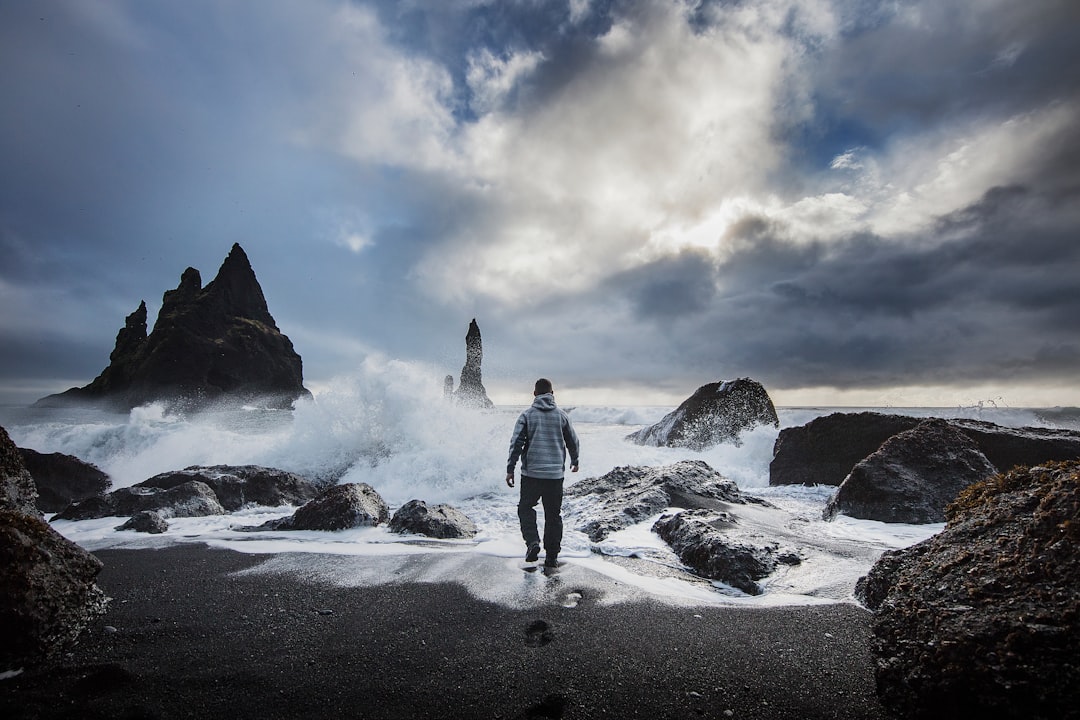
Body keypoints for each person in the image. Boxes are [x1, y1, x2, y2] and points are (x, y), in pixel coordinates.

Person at [506, 378, 580, 567]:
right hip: (555, 476)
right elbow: (573, 440)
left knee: (525, 508)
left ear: (534, 394)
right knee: (553, 515)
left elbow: (516, 443)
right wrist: (575, 460)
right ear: (552, 394)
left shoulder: (527, 415)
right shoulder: (561, 416)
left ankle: (532, 542)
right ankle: (552, 557)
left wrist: (510, 469)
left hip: (531, 474)